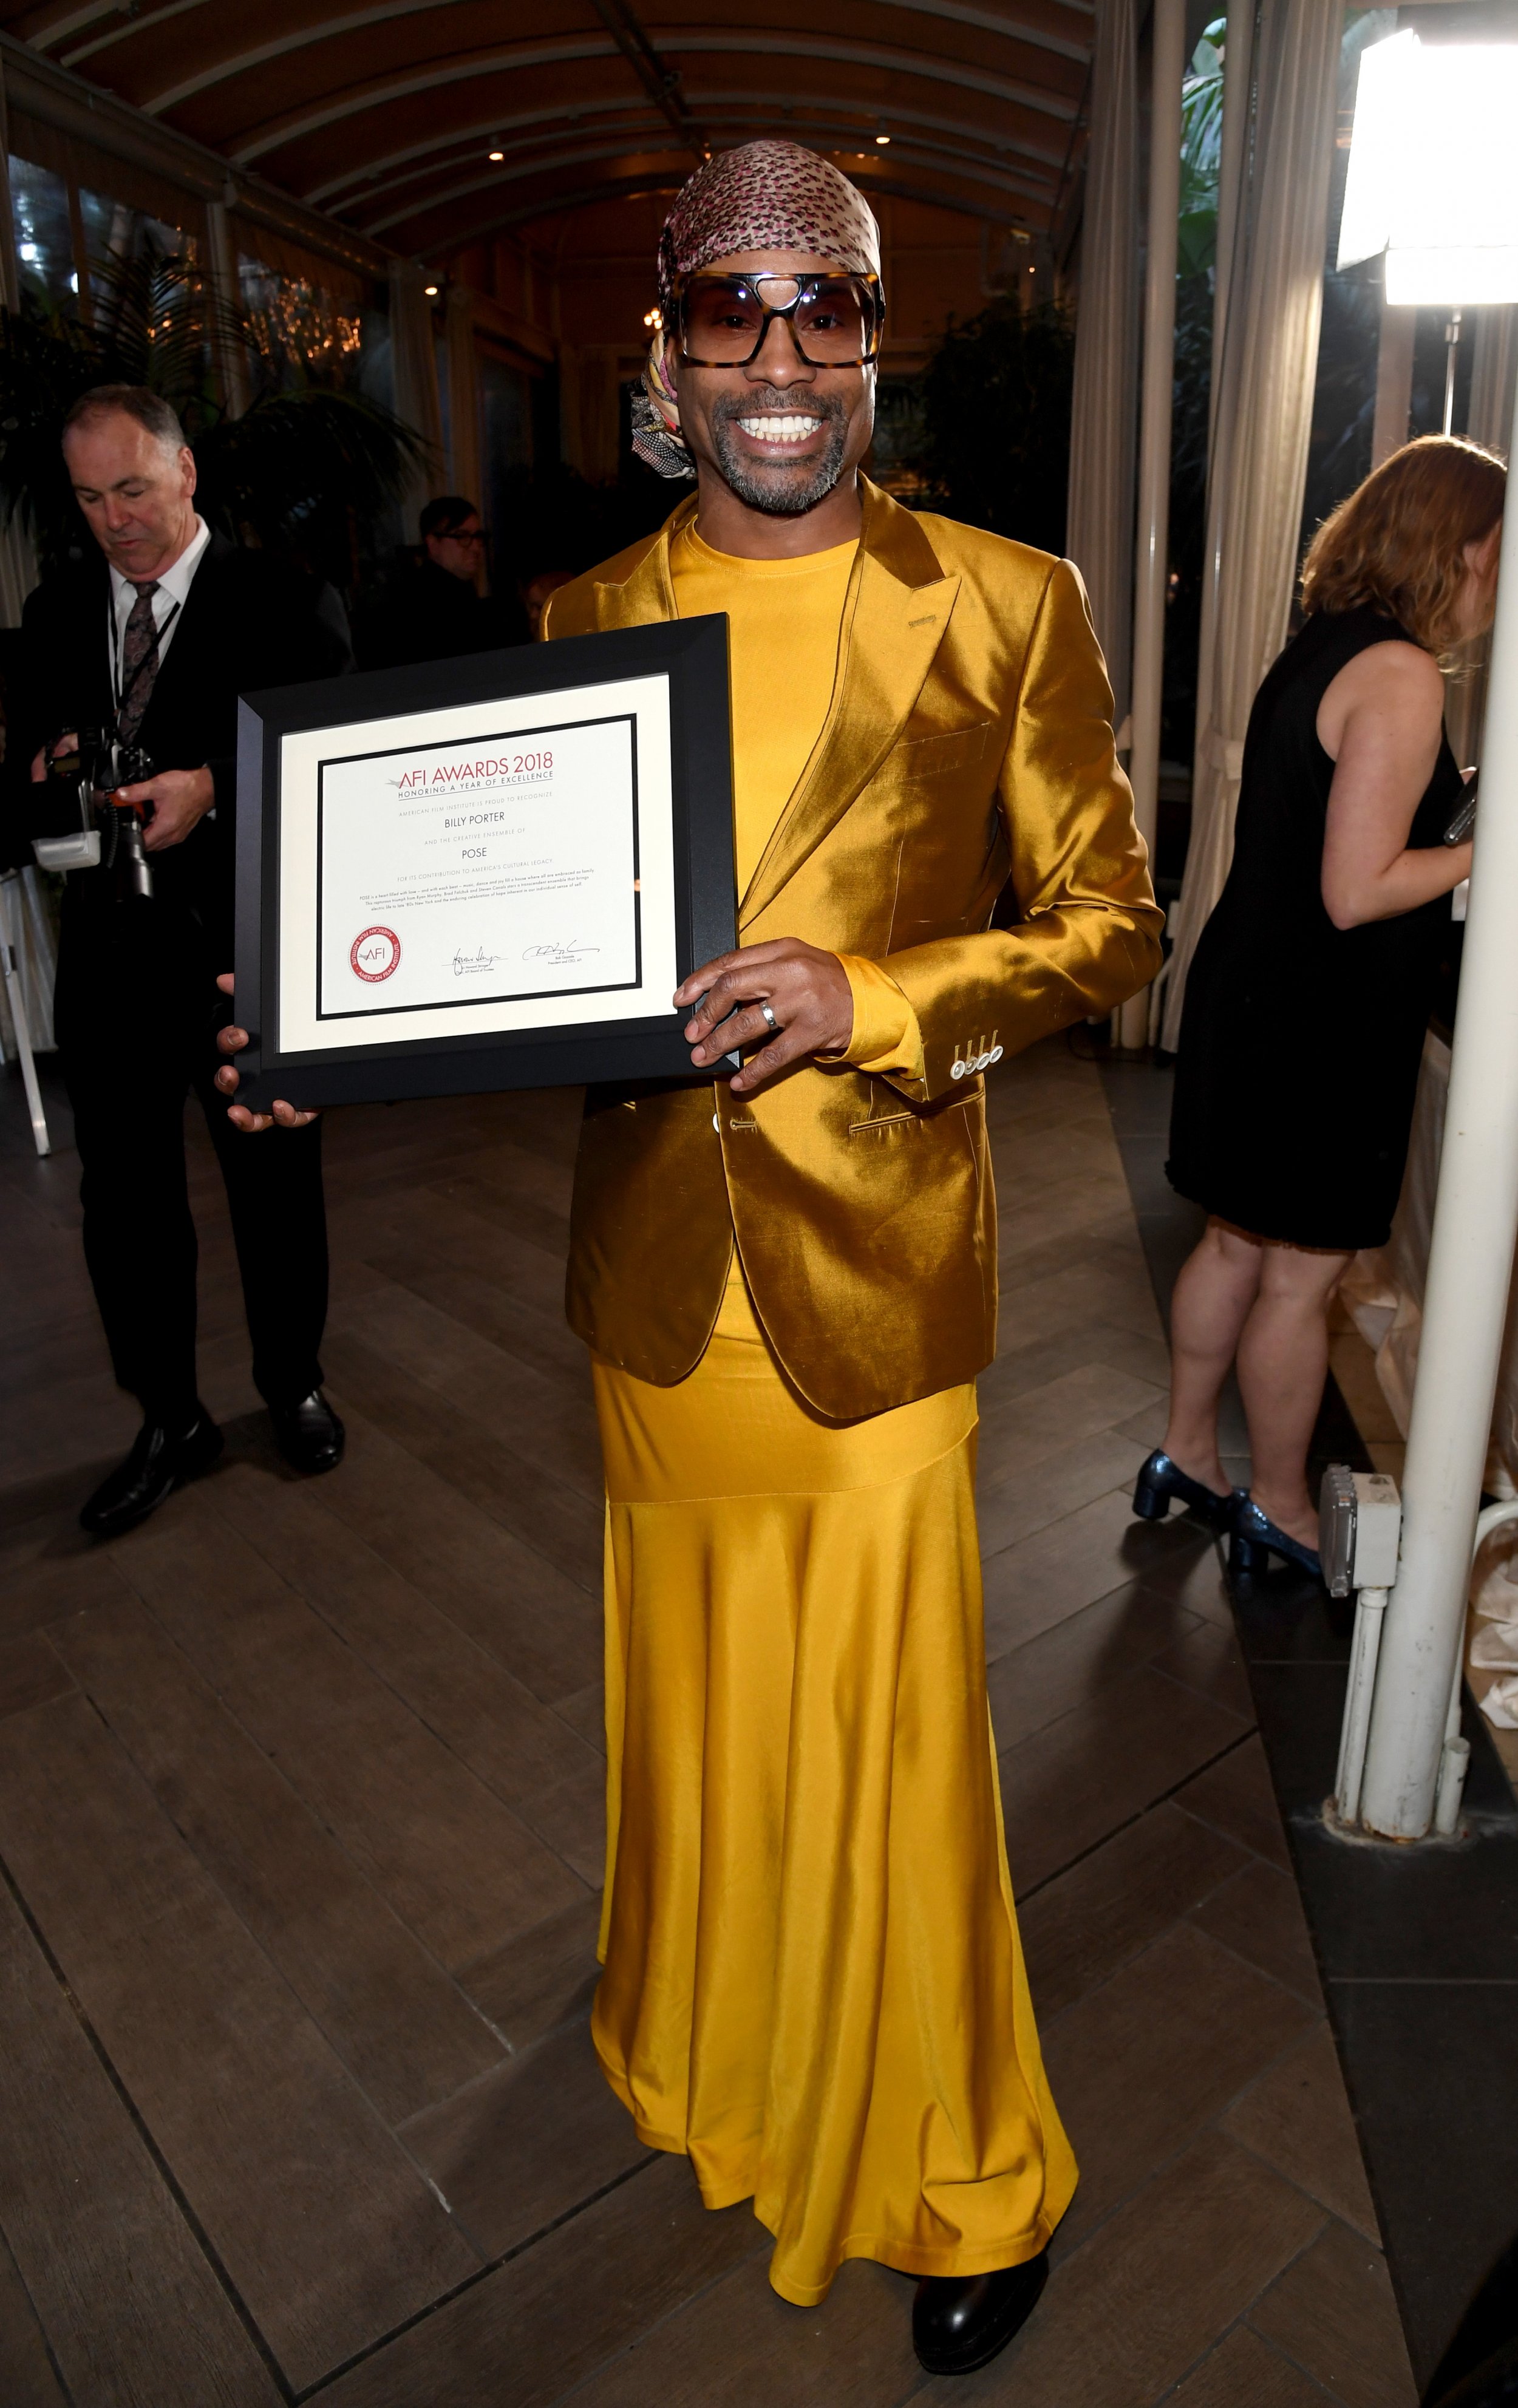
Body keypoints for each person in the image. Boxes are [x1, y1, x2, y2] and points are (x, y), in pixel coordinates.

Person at [216, 140, 1162, 2374]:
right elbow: (499, 956)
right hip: (658, 1291)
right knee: (700, 1682)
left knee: (897, 1727)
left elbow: (1110, 924)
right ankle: (711, 2028)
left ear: (868, 344)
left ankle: (959, 2166)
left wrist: (885, 1002)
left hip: (874, 1275)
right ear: (663, 348)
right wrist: (316, 1040)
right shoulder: (577, 620)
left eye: (818, 308)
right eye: (726, 309)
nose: (773, 356)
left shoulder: (1007, 602)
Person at [1142, 436, 1505, 1579]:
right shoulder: (1397, 673)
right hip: (1317, 1015)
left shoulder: (1325, 646)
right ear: (1454, 550)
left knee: (1235, 1247)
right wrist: (1485, 849)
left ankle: (1187, 1458)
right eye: (1496, 558)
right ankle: (1283, 1511)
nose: (1499, 585)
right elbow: (1358, 892)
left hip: (1257, 989)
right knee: (1301, 1276)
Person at [2, 384, 350, 1537]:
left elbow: (340, 764)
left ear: (187, 473)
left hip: (246, 947)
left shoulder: (285, 600)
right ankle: (168, 1415)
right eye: (93, 498)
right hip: (106, 954)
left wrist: (216, 786)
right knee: (126, 1202)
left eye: (135, 490)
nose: (117, 520)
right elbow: (27, 785)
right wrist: (51, 770)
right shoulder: (55, 612)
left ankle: (291, 1383)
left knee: (273, 1178)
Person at [358, 494, 528, 666]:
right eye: (462, 537)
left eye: (478, 536)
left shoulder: (461, 591)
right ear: (432, 543)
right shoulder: (419, 601)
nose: (476, 547)